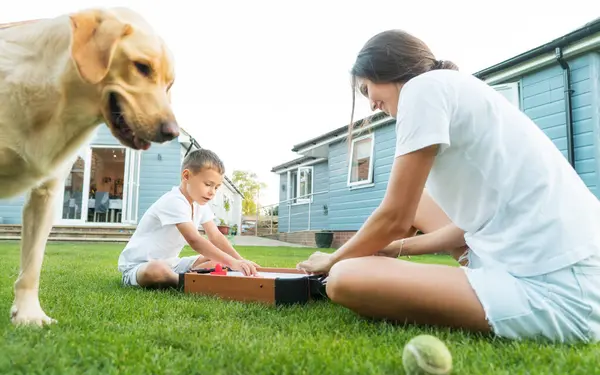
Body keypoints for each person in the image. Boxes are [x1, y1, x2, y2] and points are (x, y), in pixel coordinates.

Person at [296, 29, 600, 343]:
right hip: (573, 269)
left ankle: (489, 284)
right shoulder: (448, 88)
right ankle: (476, 270)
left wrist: (334, 259)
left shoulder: (421, 90)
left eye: (366, 88)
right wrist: (390, 248)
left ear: (382, 67)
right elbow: (468, 224)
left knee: (345, 278)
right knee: (423, 202)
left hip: (559, 292)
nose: (371, 103)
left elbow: (395, 218)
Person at [118, 148, 260, 289]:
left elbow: (215, 236)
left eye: (216, 187)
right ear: (186, 176)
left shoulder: (200, 203)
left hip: (173, 264)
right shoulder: (174, 201)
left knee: (216, 259)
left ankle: (186, 277)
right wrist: (232, 263)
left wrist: (240, 260)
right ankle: (189, 283)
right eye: (208, 184)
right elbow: (194, 240)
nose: (212, 192)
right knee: (157, 270)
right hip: (139, 267)